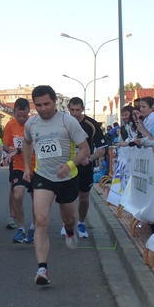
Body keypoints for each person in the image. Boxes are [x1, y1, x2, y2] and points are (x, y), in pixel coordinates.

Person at [22, 85, 90, 286]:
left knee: (68, 218)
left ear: (55, 102)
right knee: (41, 220)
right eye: (39, 105)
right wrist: (27, 167)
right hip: (43, 175)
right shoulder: (31, 123)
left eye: (47, 104)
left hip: (67, 177)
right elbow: (27, 143)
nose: (43, 108)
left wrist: (69, 165)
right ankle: (42, 269)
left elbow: (85, 150)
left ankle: (70, 229)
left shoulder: (67, 121)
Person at [65, 97, 107, 239]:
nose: (75, 113)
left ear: (83, 109)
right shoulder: (63, 122)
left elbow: (101, 149)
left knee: (83, 198)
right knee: (68, 198)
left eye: (78, 110)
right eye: (72, 110)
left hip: (84, 167)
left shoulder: (92, 124)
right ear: (68, 109)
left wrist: (89, 158)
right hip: (68, 166)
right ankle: (68, 222)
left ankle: (81, 223)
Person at [2, 98, 35, 243]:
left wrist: (18, 150)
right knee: (18, 195)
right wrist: (8, 149)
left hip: (37, 167)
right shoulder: (10, 125)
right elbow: (5, 144)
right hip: (19, 166)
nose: (21, 119)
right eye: (18, 115)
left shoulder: (35, 123)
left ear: (29, 111)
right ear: (14, 111)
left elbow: (34, 145)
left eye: (24, 116)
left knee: (37, 201)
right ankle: (21, 228)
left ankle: (35, 227)